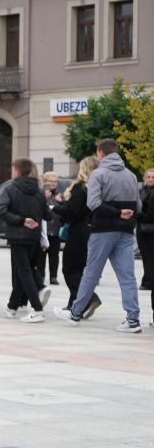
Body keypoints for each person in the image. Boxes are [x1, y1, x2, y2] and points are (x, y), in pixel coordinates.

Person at [54, 138, 142, 332]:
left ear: (101, 152)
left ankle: (75, 313)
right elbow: (139, 205)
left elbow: (93, 203)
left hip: (103, 230)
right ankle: (133, 319)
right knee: (127, 276)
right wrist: (123, 213)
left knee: (91, 273)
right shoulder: (130, 175)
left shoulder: (98, 174)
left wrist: (116, 212)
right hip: (126, 231)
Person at [0, 158, 51, 323]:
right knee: (23, 271)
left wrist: (21, 220)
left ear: (17, 172)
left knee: (24, 272)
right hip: (33, 237)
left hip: (17, 236)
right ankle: (12, 306)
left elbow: (1, 210)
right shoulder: (39, 191)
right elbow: (48, 215)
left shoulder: (10, 189)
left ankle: (37, 309)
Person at [53, 157, 98, 314]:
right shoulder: (97, 187)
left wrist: (54, 208)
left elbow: (72, 211)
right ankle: (74, 305)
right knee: (79, 270)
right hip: (91, 230)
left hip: (78, 231)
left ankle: (90, 298)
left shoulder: (80, 188)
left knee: (69, 269)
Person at [43, 171, 63, 287]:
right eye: (51, 181)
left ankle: (53, 276)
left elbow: (66, 209)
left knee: (54, 255)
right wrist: (44, 198)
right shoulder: (41, 194)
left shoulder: (59, 196)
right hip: (44, 231)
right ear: (45, 182)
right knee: (41, 256)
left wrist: (62, 201)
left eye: (55, 181)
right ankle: (40, 276)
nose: (53, 183)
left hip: (55, 230)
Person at [138, 168, 154, 293]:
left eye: (153, 177)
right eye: (148, 177)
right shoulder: (141, 191)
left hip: (151, 227)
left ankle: (149, 281)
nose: (151, 179)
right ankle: (147, 279)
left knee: (151, 256)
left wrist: (138, 216)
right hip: (141, 228)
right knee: (145, 256)